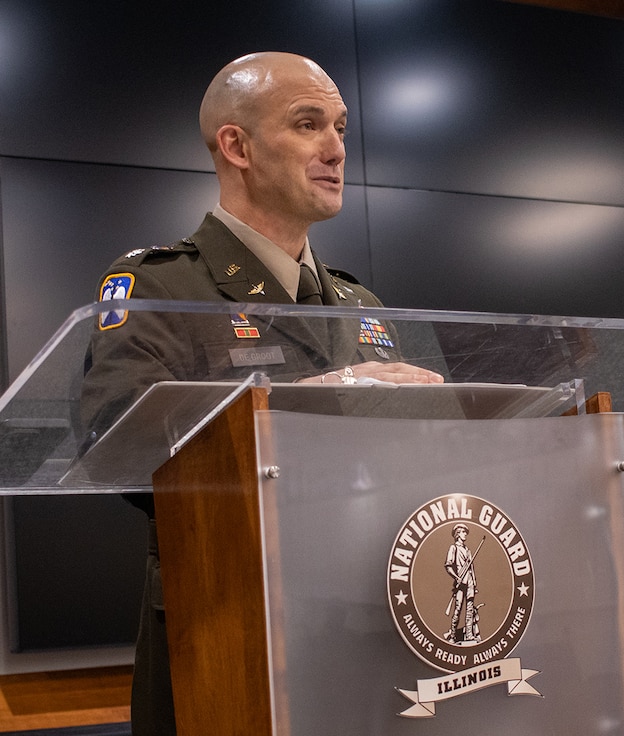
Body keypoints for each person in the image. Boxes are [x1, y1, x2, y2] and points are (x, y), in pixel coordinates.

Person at [80, 51, 443, 735]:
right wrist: (308, 400)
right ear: (236, 145)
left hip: (379, 620)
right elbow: (115, 441)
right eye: (308, 124)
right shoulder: (161, 287)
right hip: (228, 626)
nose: (336, 148)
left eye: (341, 127)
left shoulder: (360, 301)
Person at [444, 523, 481, 644]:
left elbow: (472, 568)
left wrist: (474, 583)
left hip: (469, 581)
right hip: (461, 581)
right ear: (458, 534)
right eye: (463, 532)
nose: (465, 534)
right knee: (458, 608)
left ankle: (469, 635)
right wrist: (456, 577)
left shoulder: (468, 550)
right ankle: (453, 635)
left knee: (470, 609)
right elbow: (448, 566)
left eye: (465, 532)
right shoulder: (453, 548)